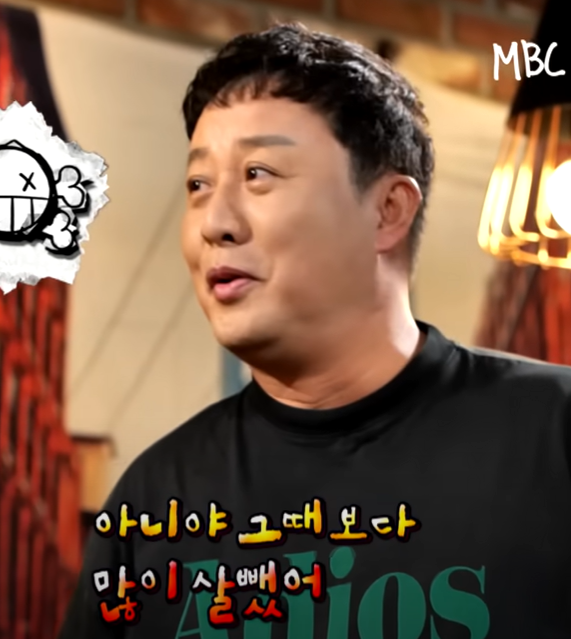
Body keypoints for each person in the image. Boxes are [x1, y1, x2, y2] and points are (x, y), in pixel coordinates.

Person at [58, 22, 571, 639]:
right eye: (198, 185)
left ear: (387, 211)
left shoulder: (552, 433)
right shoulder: (154, 499)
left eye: (258, 174)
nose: (215, 222)